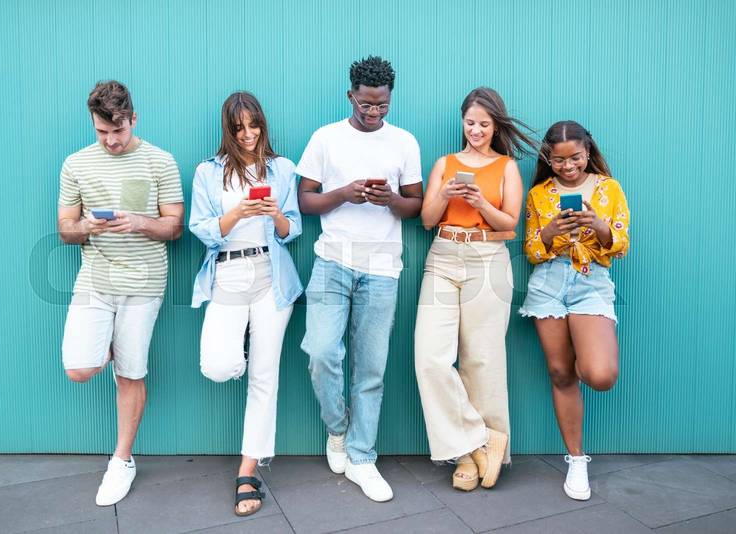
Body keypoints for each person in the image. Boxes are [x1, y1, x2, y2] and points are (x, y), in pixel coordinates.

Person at [296, 56, 423, 503]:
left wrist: (390, 199)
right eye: (366, 104)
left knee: (371, 369)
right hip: (332, 261)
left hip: (383, 268)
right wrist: (343, 194)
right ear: (350, 95)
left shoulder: (404, 143)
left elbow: (417, 207)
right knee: (321, 352)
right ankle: (338, 429)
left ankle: (362, 457)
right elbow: (306, 202)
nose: (373, 113)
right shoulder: (325, 138)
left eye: (382, 106)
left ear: (390, 98)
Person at [57, 80, 184, 506]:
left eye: (119, 130)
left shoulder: (160, 161)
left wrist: (139, 222)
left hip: (145, 283)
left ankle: (122, 460)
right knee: (79, 367)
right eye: (102, 132)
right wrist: (87, 228)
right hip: (95, 279)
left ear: (134, 119)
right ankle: (108, 343)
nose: (111, 140)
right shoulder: (75, 164)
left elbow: (174, 227)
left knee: (131, 373)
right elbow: (65, 231)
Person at [415, 87, 538, 491]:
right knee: (431, 358)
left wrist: (481, 203)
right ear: (462, 121)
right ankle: (474, 442)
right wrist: (447, 194)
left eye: (484, 124)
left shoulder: (505, 167)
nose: (476, 130)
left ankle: (477, 452)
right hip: (444, 256)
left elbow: (509, 227)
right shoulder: (444, 164)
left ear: (495, 126)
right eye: (470, 123)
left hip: (488, 258)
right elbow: (427, 220)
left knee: (482, 360)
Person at [189, 92, 302, 516]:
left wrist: (273, 213)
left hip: (271, 275)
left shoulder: (282, 168)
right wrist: (238, 212)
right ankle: (242, 355)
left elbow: (292, 230)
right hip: (228, 274)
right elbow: (201, 229)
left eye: (254, 125)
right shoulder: (207, 172)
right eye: (239, 128)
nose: (249, 135)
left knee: (265, 379)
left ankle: (248, 470)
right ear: (228, 129)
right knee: (218, 366)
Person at [519, 120, 630, 500]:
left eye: (576, 158)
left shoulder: (608, 188)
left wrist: (596, 224)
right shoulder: (538, 194)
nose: (568, 167)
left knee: (599, 374)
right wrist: (551, 230)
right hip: (549, 282)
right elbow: (533, 250)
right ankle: (577, 459)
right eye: (559, 160)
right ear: (548, 159)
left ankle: (588, 354)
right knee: (560, 372)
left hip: (590, 281)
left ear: (588, 152)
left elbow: (620, 243)